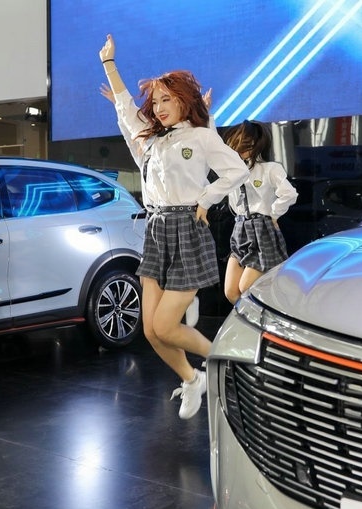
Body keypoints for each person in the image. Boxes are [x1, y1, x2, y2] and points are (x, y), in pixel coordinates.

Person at [99, 35, 248, 420]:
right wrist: (109, 64)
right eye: (155, 102)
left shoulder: (200, 137)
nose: (159, 107)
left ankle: (224, 358)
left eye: (167, 99)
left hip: (186, 228)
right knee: (151, 330)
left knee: (165, 326)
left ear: (184, 100)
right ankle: (192, 378)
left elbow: (236, 170)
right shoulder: (150, 142)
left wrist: (206, 200)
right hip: (156, 230)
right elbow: (126, 111)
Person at [222, 120, 297, 304]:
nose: (240, 150)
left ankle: (266, 315)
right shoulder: (233, 171)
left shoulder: (270, 169)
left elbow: (289, 194)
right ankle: (251, 318)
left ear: (257, 144)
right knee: (231, 292)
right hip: (240, 228)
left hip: (261, 230)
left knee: (246, 288)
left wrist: (274, 214)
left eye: (246, 144)